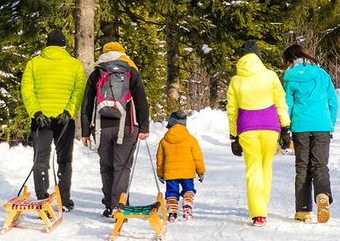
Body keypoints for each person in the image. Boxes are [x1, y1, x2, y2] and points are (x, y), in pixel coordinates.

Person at [80, 41, 150, 218]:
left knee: (106, 166)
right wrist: (144, 126)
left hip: (101, 128)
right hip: (127, 126)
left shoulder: (97, 73)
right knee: (122, 166)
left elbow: (87, 103)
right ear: (122, 53)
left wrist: (85, 131)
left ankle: (110, 206)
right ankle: (120, 205)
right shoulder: (131, 71)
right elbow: (141, 100)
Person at [20, 29, 86, 210]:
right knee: (64, 160)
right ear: (64, 45)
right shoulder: (75, 65)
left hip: (41, 120)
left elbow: (27, 90)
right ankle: (64, 200)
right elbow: (78, 91)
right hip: (64, 120)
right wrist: (69, 111)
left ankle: (42, 198)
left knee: (40, 159)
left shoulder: (34, 63)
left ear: (47, 45)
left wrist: (36, 112)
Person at [226, 40, 290, 226]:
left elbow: (232, 110)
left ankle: (258, 214)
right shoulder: (270, 76)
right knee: (266, 167)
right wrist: (285, 127)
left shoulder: (235, 80)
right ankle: (263, 207)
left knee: (253, 169)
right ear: (258, 56)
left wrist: (233, 136)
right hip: (270, 126)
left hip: (247, 127)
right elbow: (280, 102)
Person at [282, 44, 338, 223]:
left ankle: (303, 210)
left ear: (290, 60)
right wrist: (330, 124)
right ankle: (322, 195)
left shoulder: (289, 78)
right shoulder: (322, 75)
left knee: (302, 168)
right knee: (320, 165)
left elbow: (287, 105)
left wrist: (286, 127)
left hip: (300, 126)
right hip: (322, 125)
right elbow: (332, 102)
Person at [156, 112, 205, 221]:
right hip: (187, 173)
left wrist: (160, 174)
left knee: (172, 192)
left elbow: (160, 160)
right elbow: (198, 157)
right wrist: (200, 171)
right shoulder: (191, 139)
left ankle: (172, 213)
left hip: (170, 174)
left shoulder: (164, 141)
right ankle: (187, 208)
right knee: (188, 189)